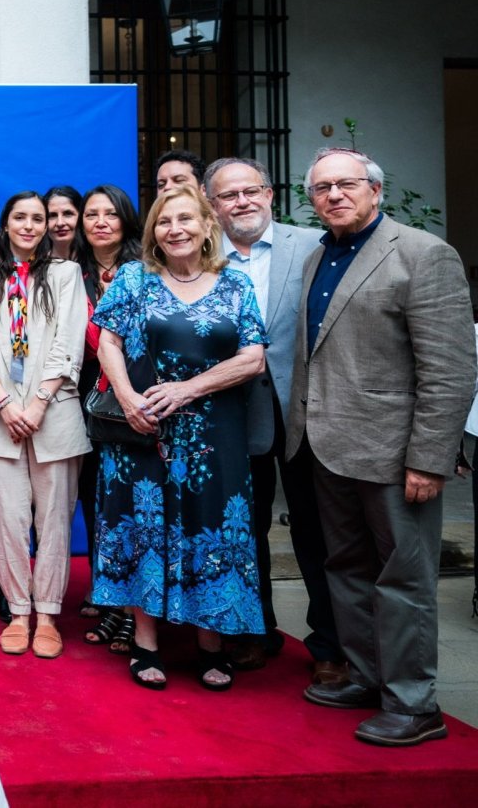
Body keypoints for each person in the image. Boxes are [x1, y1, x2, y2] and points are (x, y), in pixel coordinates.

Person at [290, 147, 474, 747]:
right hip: (330, 446)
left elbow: (449, 369)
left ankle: (416, 705)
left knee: (404, 581)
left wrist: (431, 455)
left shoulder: (423, 255)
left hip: (396, 456)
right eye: (322, 188)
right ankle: (367, 679)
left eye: (347, 184)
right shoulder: (322, 255)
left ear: (375, 190)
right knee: (347, 569)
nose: (334, 195)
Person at [91, 185, 267, 691]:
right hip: (144, 430)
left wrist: (189, 389)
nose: (176, 229)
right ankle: (146, 643)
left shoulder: (235, 283)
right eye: (165, 223)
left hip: (216, 435)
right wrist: (127, 400)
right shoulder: (132, 279)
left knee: (211, 527)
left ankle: (210, 642)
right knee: (145, 525)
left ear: (207, 226)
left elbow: (253, 358)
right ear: (154, 233)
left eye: (187, 219)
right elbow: (108, 342)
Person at [204, 156, 342, 680]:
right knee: (244, 528)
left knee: (316, 531)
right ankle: (252, 631)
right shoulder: (197, 253)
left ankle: (328, 643)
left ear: (270, 193)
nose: (241, 202)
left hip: (305, 413)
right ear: (212, 205)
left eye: (251, 190)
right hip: (232, 417)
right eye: (227, 195)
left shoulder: (313, 244)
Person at [0, 191, 89, 658]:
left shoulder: (65, 274)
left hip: (53, 414)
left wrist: (36, 404)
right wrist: (4, 403)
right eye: (21, 217)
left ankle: (49, 614)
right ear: (6, 223)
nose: (31, 225)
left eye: (39, 219)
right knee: (7, 521)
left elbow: (68, 344)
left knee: (54, 519)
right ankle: (19, 611)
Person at [75, 183, 143, 652]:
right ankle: (108, 594)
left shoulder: (146, 270)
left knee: (131, 506)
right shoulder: (68, 273)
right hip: (81, 398)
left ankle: (133, 609)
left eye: (109, 214)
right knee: (94, 501)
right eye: (91, 214)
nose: (100, 221)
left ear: (125, 220)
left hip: (134, 400)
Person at [42, 185, 83, 262]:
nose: (60, 223)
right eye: (52, 215)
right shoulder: (33, 266)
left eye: (68, 214)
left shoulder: (98, 261)